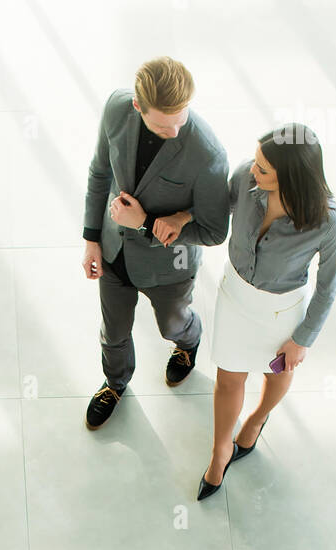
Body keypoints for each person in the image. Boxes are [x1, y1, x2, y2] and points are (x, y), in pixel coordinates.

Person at [198, 124, 336, 499]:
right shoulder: (246, 177)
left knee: (276, 370)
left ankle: (258, 417)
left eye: (264, 169)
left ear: (293, 178)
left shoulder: (331, 223)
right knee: (228, 379)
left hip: (281, 313)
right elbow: (214, 216)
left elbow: (328, 289)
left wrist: (302, 340)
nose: (253, 171)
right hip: (235, 297)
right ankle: (221, 451)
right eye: (257, 162)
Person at [81, 56, 229, 429]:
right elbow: (100, 172)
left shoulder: (208, 153)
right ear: (137, 106)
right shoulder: (116, 108)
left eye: (181, 119)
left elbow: (214, 230)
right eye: (164, 126)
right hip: (114, 251)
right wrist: (91, 239)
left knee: (172, 326)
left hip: (170, 265)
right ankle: (115, 383)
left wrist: (147, 222)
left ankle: (189, 342)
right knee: (113, 332)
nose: (176, 131)